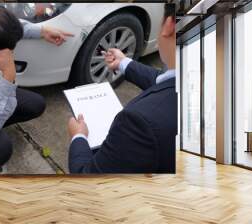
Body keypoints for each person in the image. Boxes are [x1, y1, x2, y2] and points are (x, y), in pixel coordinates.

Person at [0, 4, 73, 173]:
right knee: (0, 149)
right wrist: (8, 75)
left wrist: (41, 30)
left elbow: (9, 25)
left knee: (35, 104)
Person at [67, 3, 177, 173]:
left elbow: (89, 178)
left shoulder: (138, 122)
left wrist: (78, 137)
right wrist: (124, 63)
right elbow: (165, 82)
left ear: (169, 25)